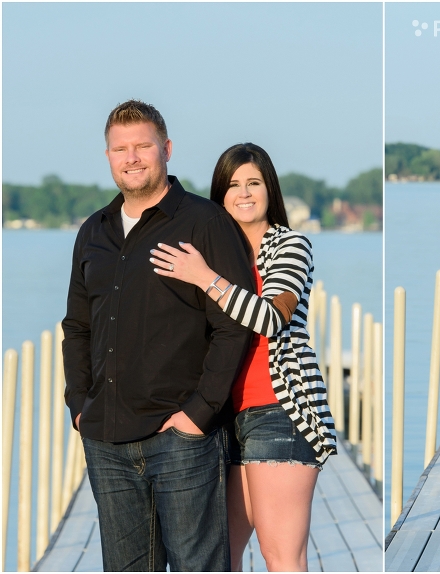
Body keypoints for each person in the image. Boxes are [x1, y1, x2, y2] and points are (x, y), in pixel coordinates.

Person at [62, 100, 255, 570]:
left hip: (182, 437)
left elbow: (233, 326)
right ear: (108, 156)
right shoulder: (94, 231)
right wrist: (78, 405)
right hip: (106, 438)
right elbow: (77, 326)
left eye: (143, 146)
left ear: (166, 149)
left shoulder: (205, 222)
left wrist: (198, 414)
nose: (132, 158)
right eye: (120, 149)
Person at [149, 143, 336, 571]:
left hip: (280, 409)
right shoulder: (211, 251)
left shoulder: (290, 246)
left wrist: (204, 277)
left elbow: (271, 317)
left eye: (253, 182)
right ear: (219, 195)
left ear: (269, 188)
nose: (244, 193)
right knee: (220, 556)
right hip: (221, 416)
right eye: (232, 185)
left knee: (281, 556)